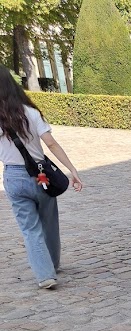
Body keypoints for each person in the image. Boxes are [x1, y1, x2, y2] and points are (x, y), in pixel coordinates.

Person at [0, 65, 82, 289]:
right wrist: (72, 169)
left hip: (13, 177)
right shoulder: (31, 112)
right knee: (49, 222)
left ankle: (45, 275)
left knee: (30, 229)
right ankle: (52, 264)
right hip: (41, 175)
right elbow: (51, 144)